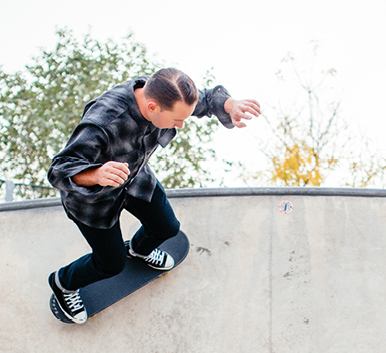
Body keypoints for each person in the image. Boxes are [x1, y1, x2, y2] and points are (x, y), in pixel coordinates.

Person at [47, 67, 261, 323]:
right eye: (175, 120)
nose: (180, 125)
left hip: (136, 180)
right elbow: (59, 169)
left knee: (167, 228)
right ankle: (63, 283)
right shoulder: (106, 120)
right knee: (111, 264)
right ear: (152, 107)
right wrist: (96, 174)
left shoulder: (166, 93)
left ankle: (139, 250)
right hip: (95, 202)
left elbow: (202, 99)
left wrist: (229, 104)